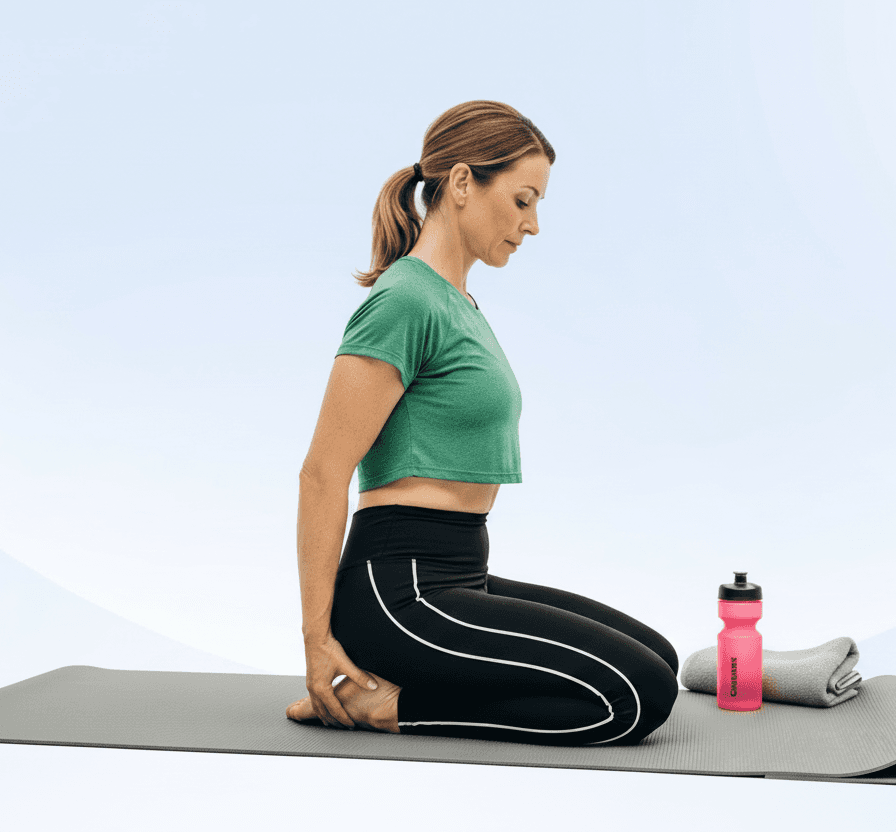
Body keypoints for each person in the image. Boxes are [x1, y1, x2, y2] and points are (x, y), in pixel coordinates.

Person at [286, 100, 680, 745]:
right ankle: (388, 708)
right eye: (523, 200)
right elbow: (322, 474)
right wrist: (317, 641)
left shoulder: (458, 301)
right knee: (637, 695)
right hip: (399, 593)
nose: (532, 224)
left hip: (459, 572)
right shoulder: (404, 300)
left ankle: (406, 690)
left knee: (656, 657)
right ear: (464, 183)